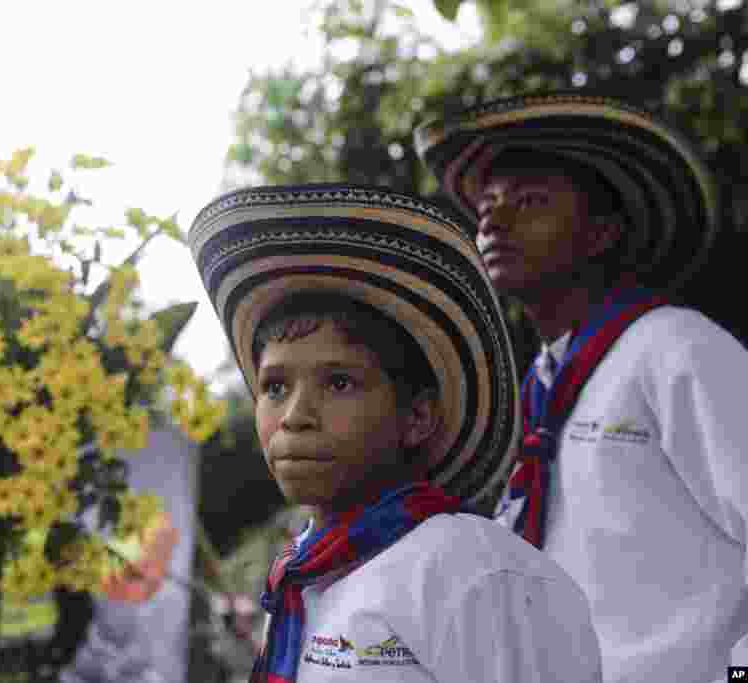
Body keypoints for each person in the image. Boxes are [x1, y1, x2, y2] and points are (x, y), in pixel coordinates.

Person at [187, 184, 602, 682]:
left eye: (339, 382)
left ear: (417, 418)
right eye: (274, 386)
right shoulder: (305, 575)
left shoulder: (474, 574)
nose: (295, 415)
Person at [415, 91, 748, 683]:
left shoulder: (674, 347)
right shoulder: (535, 399)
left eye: (530, 201)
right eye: (488, 204)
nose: (493, 218)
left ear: (601, 233)